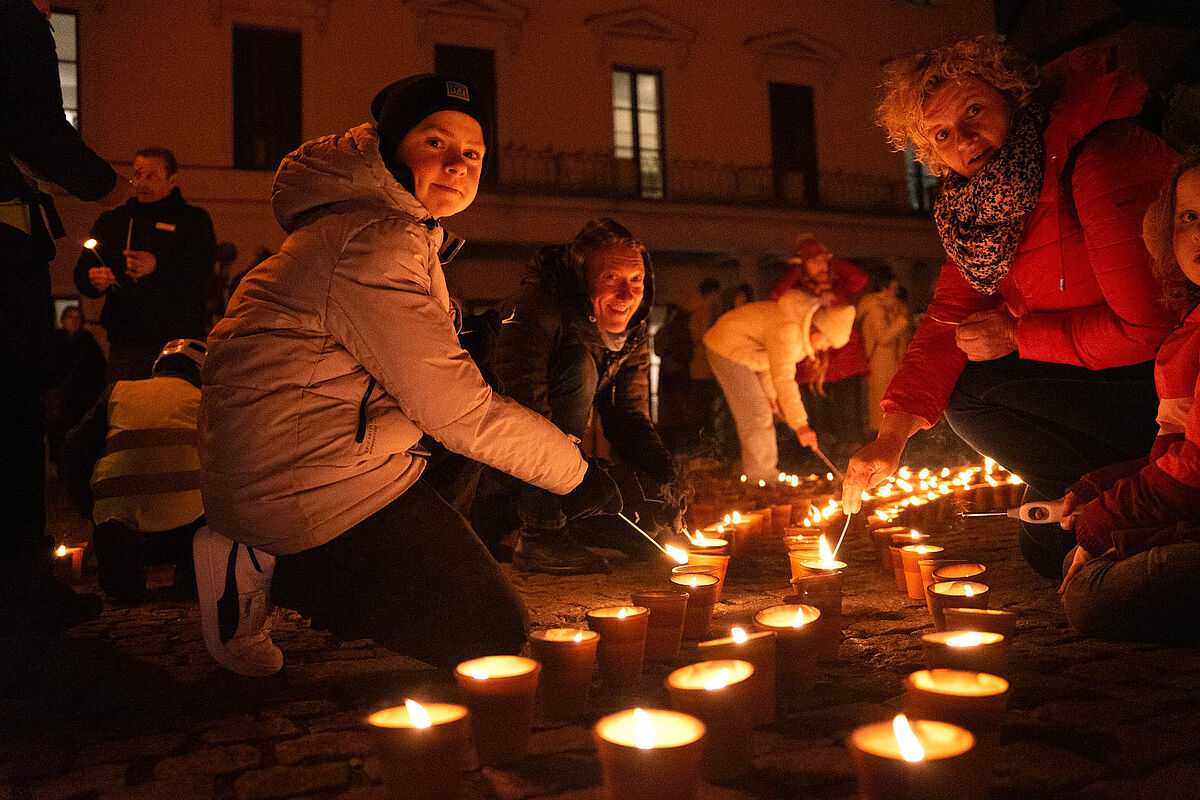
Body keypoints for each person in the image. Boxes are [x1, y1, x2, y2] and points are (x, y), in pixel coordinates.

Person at [195, 74, 620, 676]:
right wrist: (575, 477)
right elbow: (459, 411)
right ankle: (277, 563)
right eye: (434, 142)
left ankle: (351, 556)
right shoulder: (372, 242)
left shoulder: (396, 230)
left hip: (332, 453)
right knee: (490, 635)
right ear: (389, 148)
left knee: (473, 450)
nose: (457, 164)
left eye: (472, 153)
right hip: (298, 486)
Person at [842, 35, 1177, 578]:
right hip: (1094, 375)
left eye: (974, 110)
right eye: (941, 134)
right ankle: (1092, 495)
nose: (964, 140)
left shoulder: (1099, 160)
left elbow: (1152, 326)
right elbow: (949, 317)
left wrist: (1021, 335)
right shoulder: (981, 209)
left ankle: (1146, 496)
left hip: (1169, 386)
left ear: (1013, 97)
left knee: (973, 393)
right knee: (1044, 550)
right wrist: (891, 436)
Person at [1, 0, 131, 640]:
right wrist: (101, 181)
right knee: (10, 411)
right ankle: (19, 586)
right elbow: (36, 126)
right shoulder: (17, 21)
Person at [1057, 151, 1200, 642]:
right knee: (1068, 551)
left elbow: (1195, 469)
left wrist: (1099, 525)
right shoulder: (1192, 324)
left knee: (1091, 594)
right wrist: (1100, 487)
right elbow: (1183, 453)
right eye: (1190, 217)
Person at [487, 218, 682, 575]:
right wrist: (575, 474)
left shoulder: (633, 331)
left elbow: (626, 413)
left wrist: (662, 474)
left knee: (650, 535)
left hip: (561, 473)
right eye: (611, 278)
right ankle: (538, 535)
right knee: (579, 366)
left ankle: (565, 524)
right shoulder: (537, 308)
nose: (627, 295)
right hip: (498, 468)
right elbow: (522, 409)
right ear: (580, 278)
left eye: (635, 279)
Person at [60, 339, 207, 604]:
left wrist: (90, 509)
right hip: (189, 529)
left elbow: (72, 448)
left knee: (116, 546)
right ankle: (195, 571)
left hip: (122, 529)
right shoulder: (204, 399)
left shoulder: (119, 392)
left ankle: (121, 570)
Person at [73, 146, 217, 382]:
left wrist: (157, 266)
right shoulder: (113, 222)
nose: (141, 183)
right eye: (138, 174)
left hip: (178, 343)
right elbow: (83, 272)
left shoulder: (193, 221)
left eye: (150, 176)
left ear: (172, 180)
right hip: (127, 343)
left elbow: (200, 271)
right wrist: (93, 279)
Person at [703, 290, 855, 482]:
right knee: (757, 413)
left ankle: (759, 474)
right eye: (827, 340)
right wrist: (800, 425)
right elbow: (784, 378)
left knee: (761, 409)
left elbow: (770, 361)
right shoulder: (790, 330)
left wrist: (770, 395)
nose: (825, 347)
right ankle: (762, 478)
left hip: (742, 350)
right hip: (726, 347)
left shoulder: (796, 329)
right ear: (817, 328)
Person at [772, 236, 870, 465]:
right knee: (819, 413)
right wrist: (797, 271)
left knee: (849, 412)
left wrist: (834, 261)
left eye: (823, 261)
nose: (822, 266)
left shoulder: (838, 283)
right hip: (812, 364)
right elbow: (776, 294)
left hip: (845, 361)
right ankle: (820, 459)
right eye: (814, 262)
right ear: (803, 264)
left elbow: (861, 279)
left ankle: (853, 458)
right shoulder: (798, 288)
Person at [45, 304, 106, 463]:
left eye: (78, 318)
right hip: (61, 398)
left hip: (81, 399)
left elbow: (98, 368)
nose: (74, 321)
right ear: (63, 320)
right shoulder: (54, 342)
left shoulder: (87, 342)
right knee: (59, 435)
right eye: (70, 317)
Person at [856, 265, 911, 433]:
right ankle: (880, 435)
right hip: (880, 363)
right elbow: (884, 336)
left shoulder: (886, 307)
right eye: (892, 287)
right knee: (880, 401)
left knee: (888, 399)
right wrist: (901, 320)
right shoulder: (874, 308)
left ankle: (888, 433)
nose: (895, 292)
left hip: (888, 362)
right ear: (884, 287)